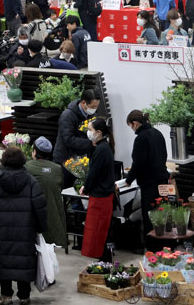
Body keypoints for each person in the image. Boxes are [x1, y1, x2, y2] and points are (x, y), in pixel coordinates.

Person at [0, 147, 47, 305]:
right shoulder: (31, 181)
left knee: (4, 262)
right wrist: (40, 227)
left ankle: (5, 296)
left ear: (3, 161)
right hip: (25, 231)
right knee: (23, 262)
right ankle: (24, 295)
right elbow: (40, 207)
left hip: (1, 231)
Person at [123, 110, 170, 242]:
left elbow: (138, 163)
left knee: (150, 215)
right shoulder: (158, 133)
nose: (132, 129)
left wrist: (128, 180)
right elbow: (164, 155)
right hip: (163, 180)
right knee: (161, 212)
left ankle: (152, 246)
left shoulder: (141, 138)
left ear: (136, 123)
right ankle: (164, 243)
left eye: (130, 125)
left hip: (149, 183)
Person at [80, 118, 115, 261]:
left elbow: (93, 173)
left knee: (98, 232)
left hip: (100, 197)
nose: (88, 133)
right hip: (104, 195)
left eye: (90, 130)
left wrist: (86, 187)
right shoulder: (104, 147)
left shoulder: (101, 150)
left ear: (99, 132)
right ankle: (104, 261)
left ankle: (104, 262)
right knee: (101, 232)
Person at [53, 89, 101, 188]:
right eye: (93, 107)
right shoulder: (68, 116)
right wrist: (90, 143)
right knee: (68, 190)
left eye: (96, 107)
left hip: (81, 159)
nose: (95, 109)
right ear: (83, 103)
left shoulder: (91, 115)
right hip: (66, 161)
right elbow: (68, 139)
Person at [25, 136, 66, 247]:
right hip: (53, 215)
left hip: (33, 215)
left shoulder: (27, 167)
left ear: (34, 152)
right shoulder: (57, 168)